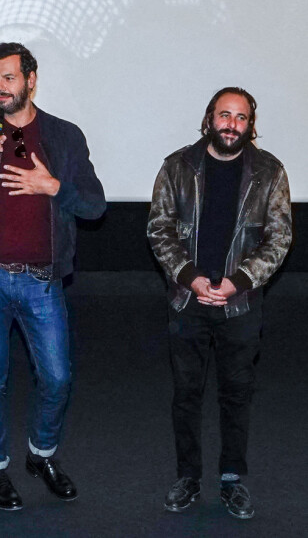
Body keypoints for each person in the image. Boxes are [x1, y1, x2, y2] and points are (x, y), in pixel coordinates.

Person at [0, 42, 105, 510]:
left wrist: (52, 186)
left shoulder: (65, 137)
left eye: (8, 78)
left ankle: (41, 454)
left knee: (57, 378)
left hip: (41, 280)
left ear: (31, 79)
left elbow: (95, 205)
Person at [147, 87, 292, 519]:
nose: (232, 124)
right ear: (209, 118)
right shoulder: (177, 167)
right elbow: (159, 229)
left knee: (236, 394)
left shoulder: (270, 172)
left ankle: (231, 479)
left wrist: (239, 281)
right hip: (187, 301)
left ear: (251, 125)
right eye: (224, 115)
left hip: (240, 305)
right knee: (187, 394)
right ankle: (188, 477)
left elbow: (280, 237)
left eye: (241, 118)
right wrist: (191, 278)